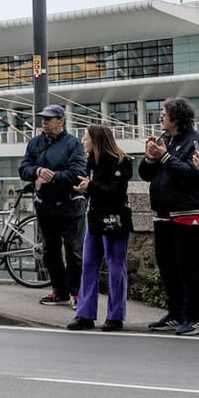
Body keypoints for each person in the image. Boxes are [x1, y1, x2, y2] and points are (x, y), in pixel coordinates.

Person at [139, 97, 199, 335]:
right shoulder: (164, 140)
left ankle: (195, 318)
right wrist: (150, 157)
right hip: (162, 213)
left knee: (190, 268)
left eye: (164, 112)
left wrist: (165, 157)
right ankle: (176, 313)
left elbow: (193, 175)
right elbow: (146, 175)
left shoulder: (198, 142)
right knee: (168, 266)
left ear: (177, 117)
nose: (160, 116)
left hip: (187, 213)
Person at [20, 104, 88, 308]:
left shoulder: (73, 144)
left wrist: (52, 178)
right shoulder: (34, 143)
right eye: (43, 119)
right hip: (45, 205)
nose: (44, 123)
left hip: (70, 205)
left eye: (49, 119)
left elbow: (78, 173)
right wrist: (38, 171)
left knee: (74, 251)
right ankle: (60, 292)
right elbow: (23, 168)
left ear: (61, 121)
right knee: (50, 251)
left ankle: (77, 294)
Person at [71, 124, 133, 331]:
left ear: (96, 140)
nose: (83, 141)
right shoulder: (91, 161)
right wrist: (86, 189)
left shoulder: (121, 162)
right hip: (95, 217)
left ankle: (116, 316)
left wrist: (91, 186)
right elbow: (95, 189)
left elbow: (115, 191)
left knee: (116, 267)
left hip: (114, 217)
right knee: (89, 265)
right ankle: (85, 314)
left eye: (85, 137)